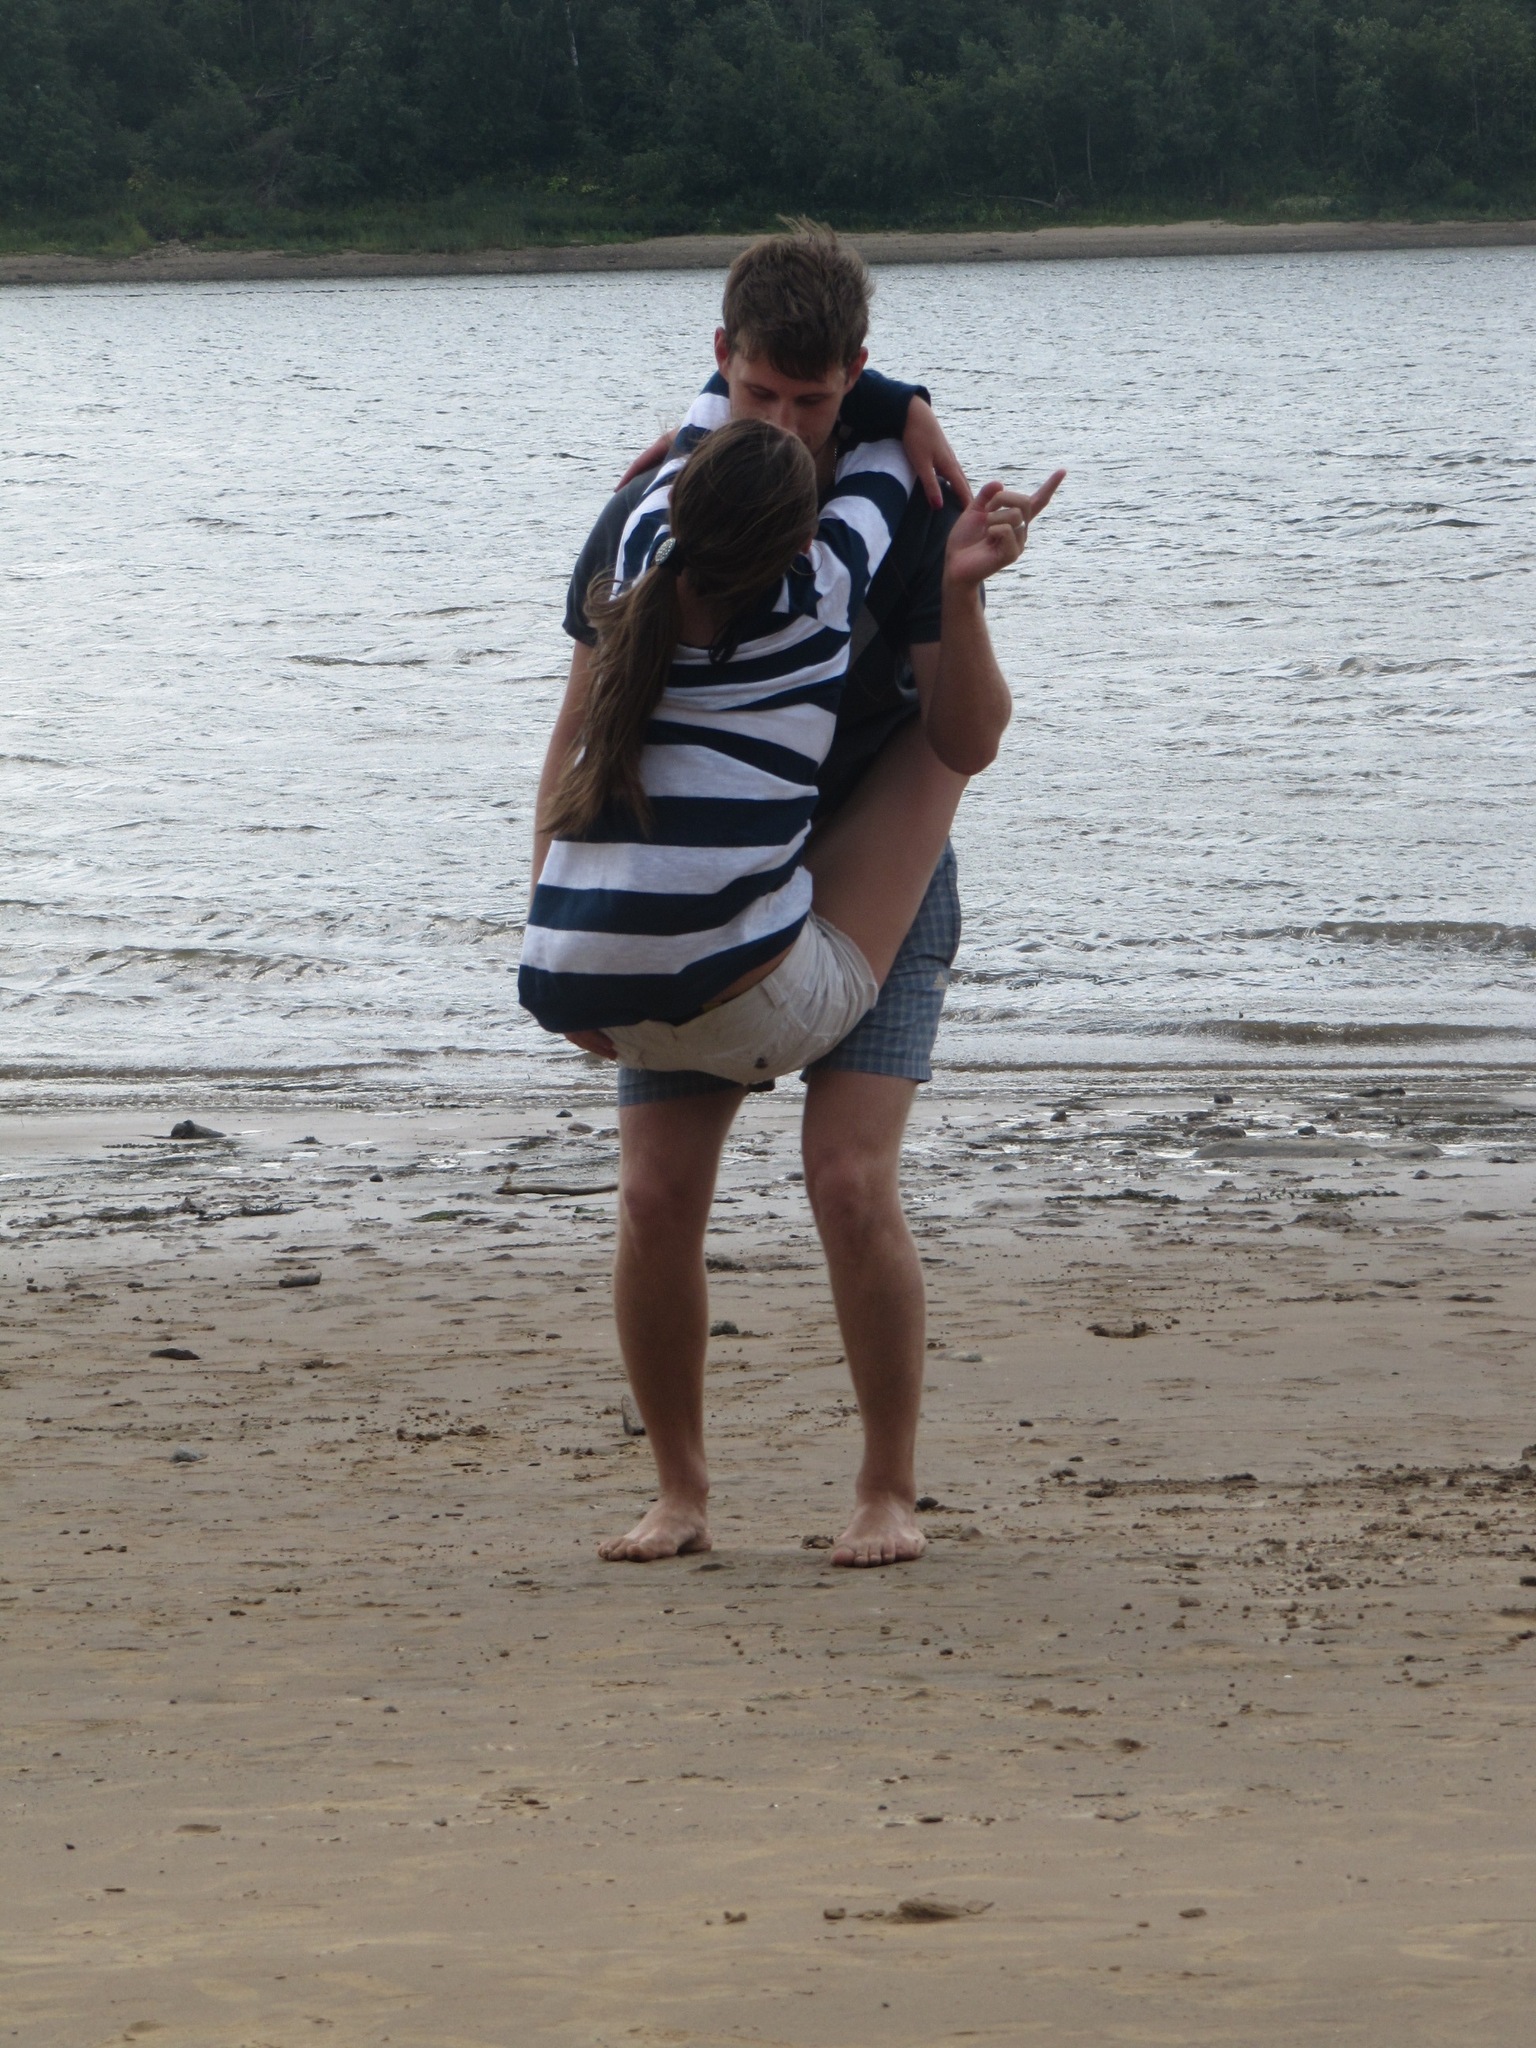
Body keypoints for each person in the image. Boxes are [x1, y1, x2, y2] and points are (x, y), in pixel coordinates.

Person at [532, 223, 1062, 1566]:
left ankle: (887, 1489)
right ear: (721, 363)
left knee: (847, 1181)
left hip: (867, 876)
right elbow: (579, 731)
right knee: (655, 1199)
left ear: (852, 380)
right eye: (759, 394)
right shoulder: (665, 506)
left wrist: (962, 596)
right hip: (703, 897)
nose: (781, 423)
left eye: (816, 403)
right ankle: (682, 1493)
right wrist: (557, 912)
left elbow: (968, 739)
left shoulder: (906, 508)